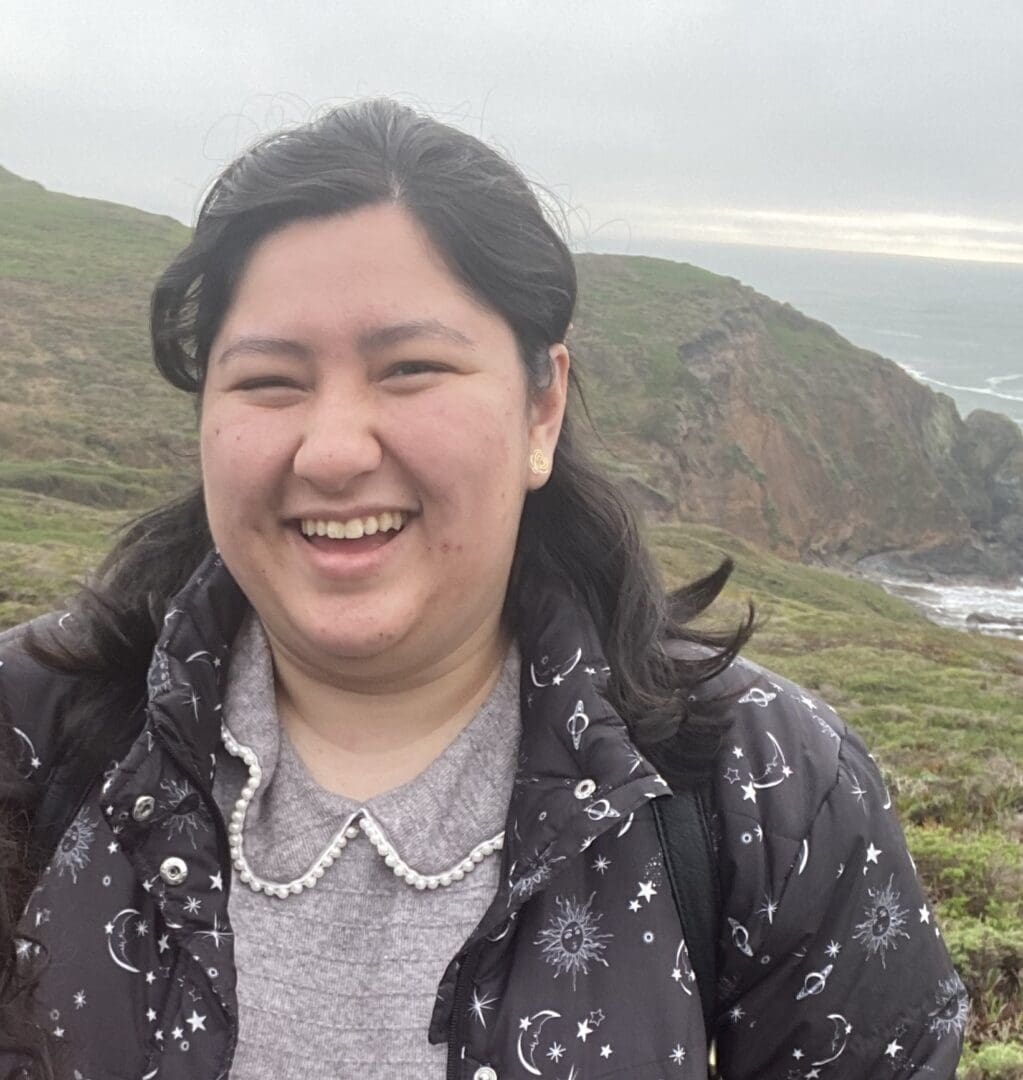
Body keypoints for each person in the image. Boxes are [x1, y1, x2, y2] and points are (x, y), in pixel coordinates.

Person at [0, 99, 966, 1080]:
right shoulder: (31, 726)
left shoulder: (768, 785)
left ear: (541, 407)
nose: (332, 452)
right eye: (269, 380)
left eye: (411, 368)